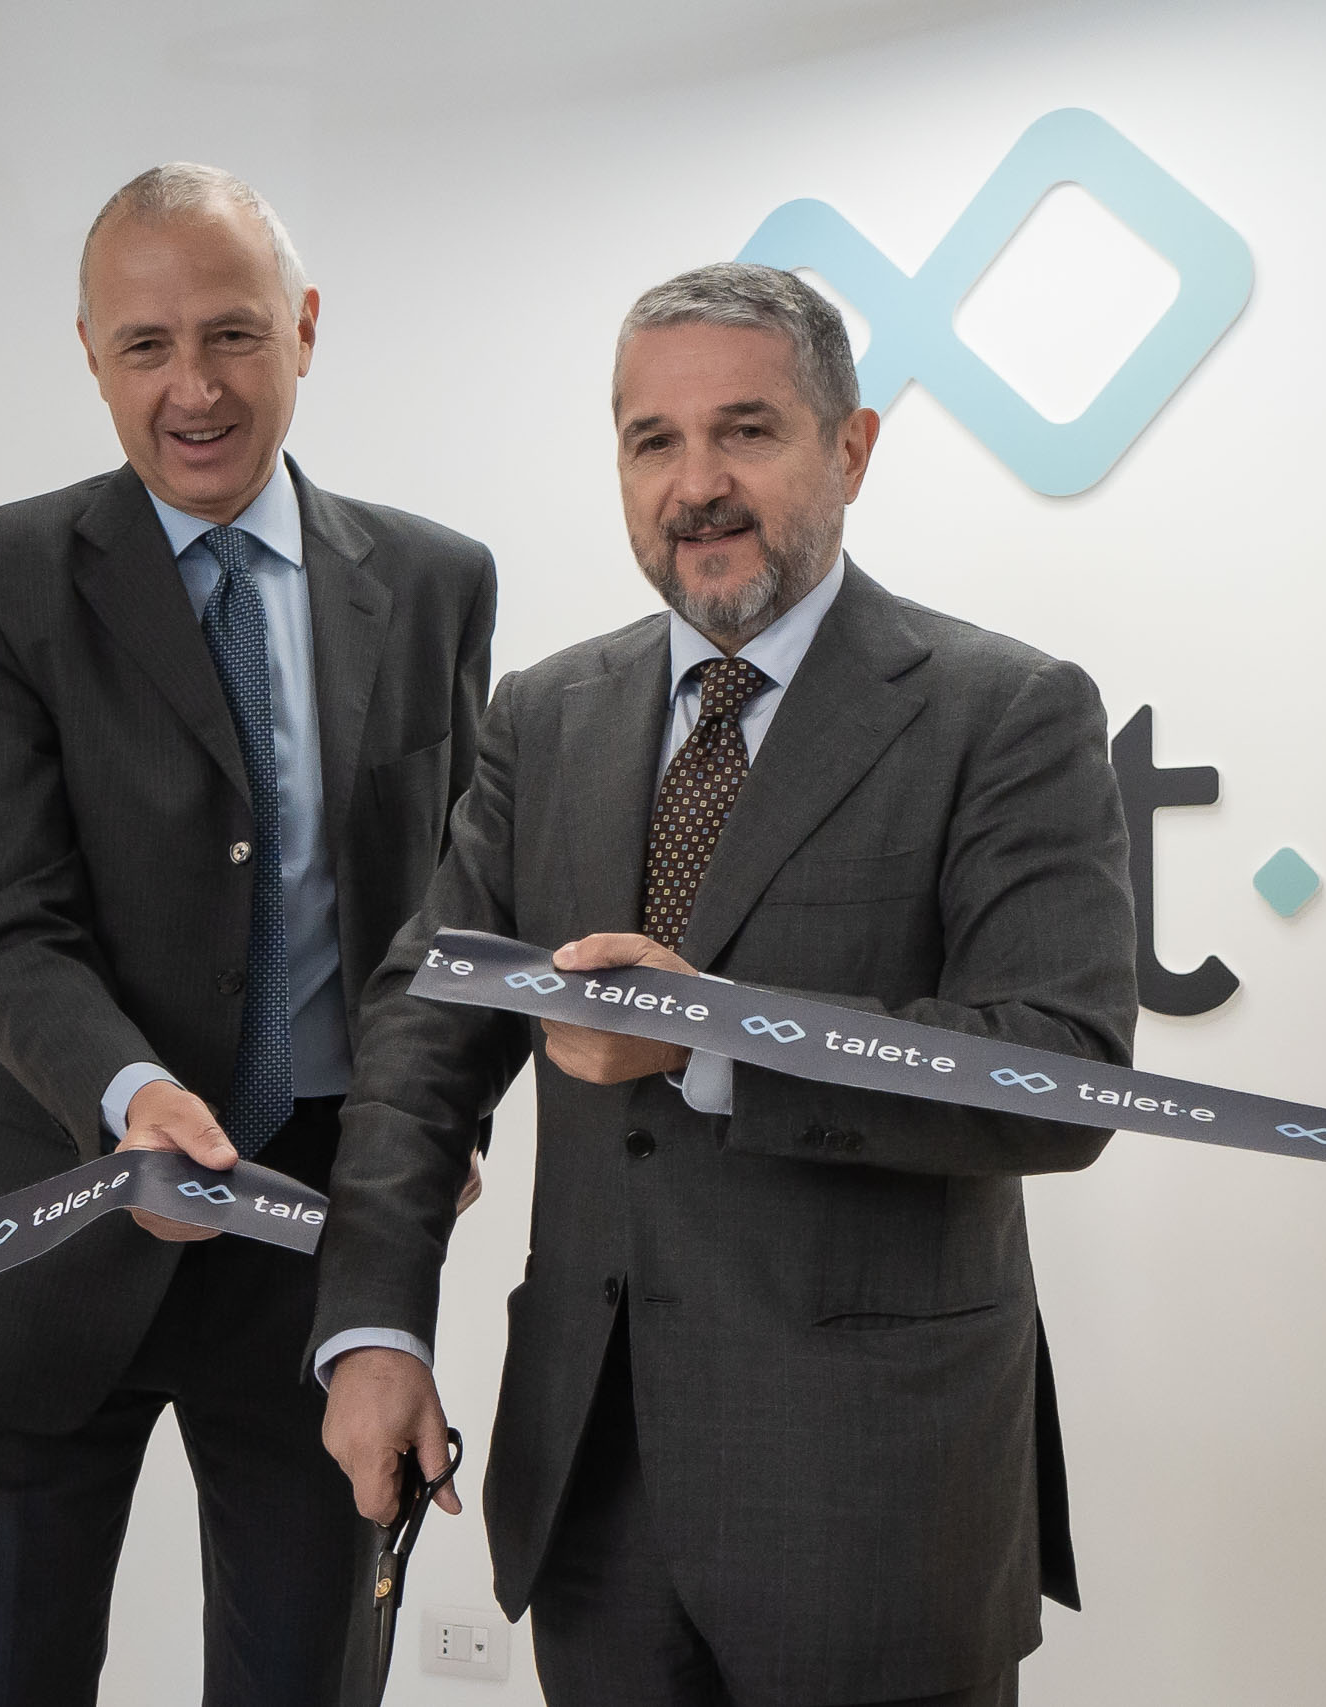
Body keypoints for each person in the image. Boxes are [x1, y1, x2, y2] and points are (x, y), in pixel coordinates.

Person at [312, 262, 1138, 1707]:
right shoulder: (545, 716)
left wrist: (710, 1042)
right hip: (597, 1492)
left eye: (746, 431)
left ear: (852, 449)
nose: (696, 484)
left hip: (877, 1500)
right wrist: (375, 1327)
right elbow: (422, 1031)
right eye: (654, 441)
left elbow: (1059, 1075)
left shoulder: (1003, 711)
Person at [0, 162, 496, 1707]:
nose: (196, 389)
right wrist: (131, 1100)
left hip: (319, 1247)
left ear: (303, 328)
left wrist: (437, 1124)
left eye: (232, 334)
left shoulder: (437, 584)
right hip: (56, 1222)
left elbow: (452, 918)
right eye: (146, 346)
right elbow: (4, 925)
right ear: (90, 356)